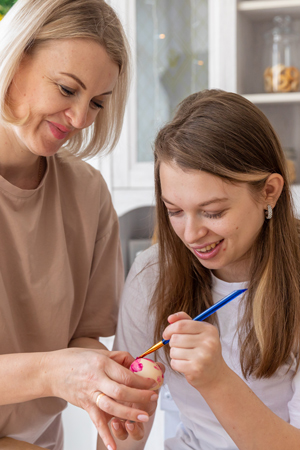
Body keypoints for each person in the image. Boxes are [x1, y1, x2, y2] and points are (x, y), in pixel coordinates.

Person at [0, 1, 160, 450]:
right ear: (15, 58)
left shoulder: (87, 193)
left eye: (95, 102)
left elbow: (82, 336)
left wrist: (111, 380)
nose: (80, 119)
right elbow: (59, 364)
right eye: (67, 89)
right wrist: (55, 371)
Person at [111, 89, 300, 449]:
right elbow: (123, 436)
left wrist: (216, 381)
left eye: (213, 212)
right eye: (174, 211)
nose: (192, 234)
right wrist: (122, 428)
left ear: (270, 192)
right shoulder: (152, 275)